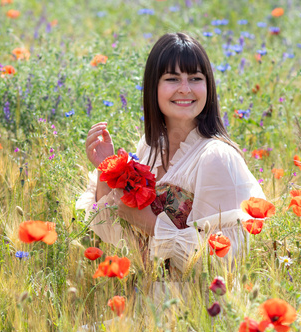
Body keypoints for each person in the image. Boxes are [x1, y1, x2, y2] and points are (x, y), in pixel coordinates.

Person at [76, 32, 265, 275]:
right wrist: (108, 171)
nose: (185, 89)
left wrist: (152, 224)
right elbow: (116, 237)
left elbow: (227, 263)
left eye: (195, 78)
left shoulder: (216, 157)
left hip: (194, 309)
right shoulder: (150, 147)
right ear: (153, 86)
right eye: (173, 79)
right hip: (142, 303)